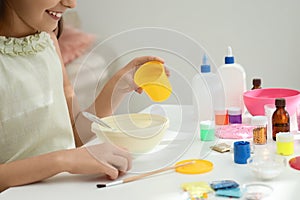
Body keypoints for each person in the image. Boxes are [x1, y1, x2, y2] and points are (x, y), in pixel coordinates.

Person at [0, 0, 168, 192]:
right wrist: (65, 160)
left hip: (65, 190)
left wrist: (119, 85)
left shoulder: (47, 42)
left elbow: (75, 132)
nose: (71, 3)